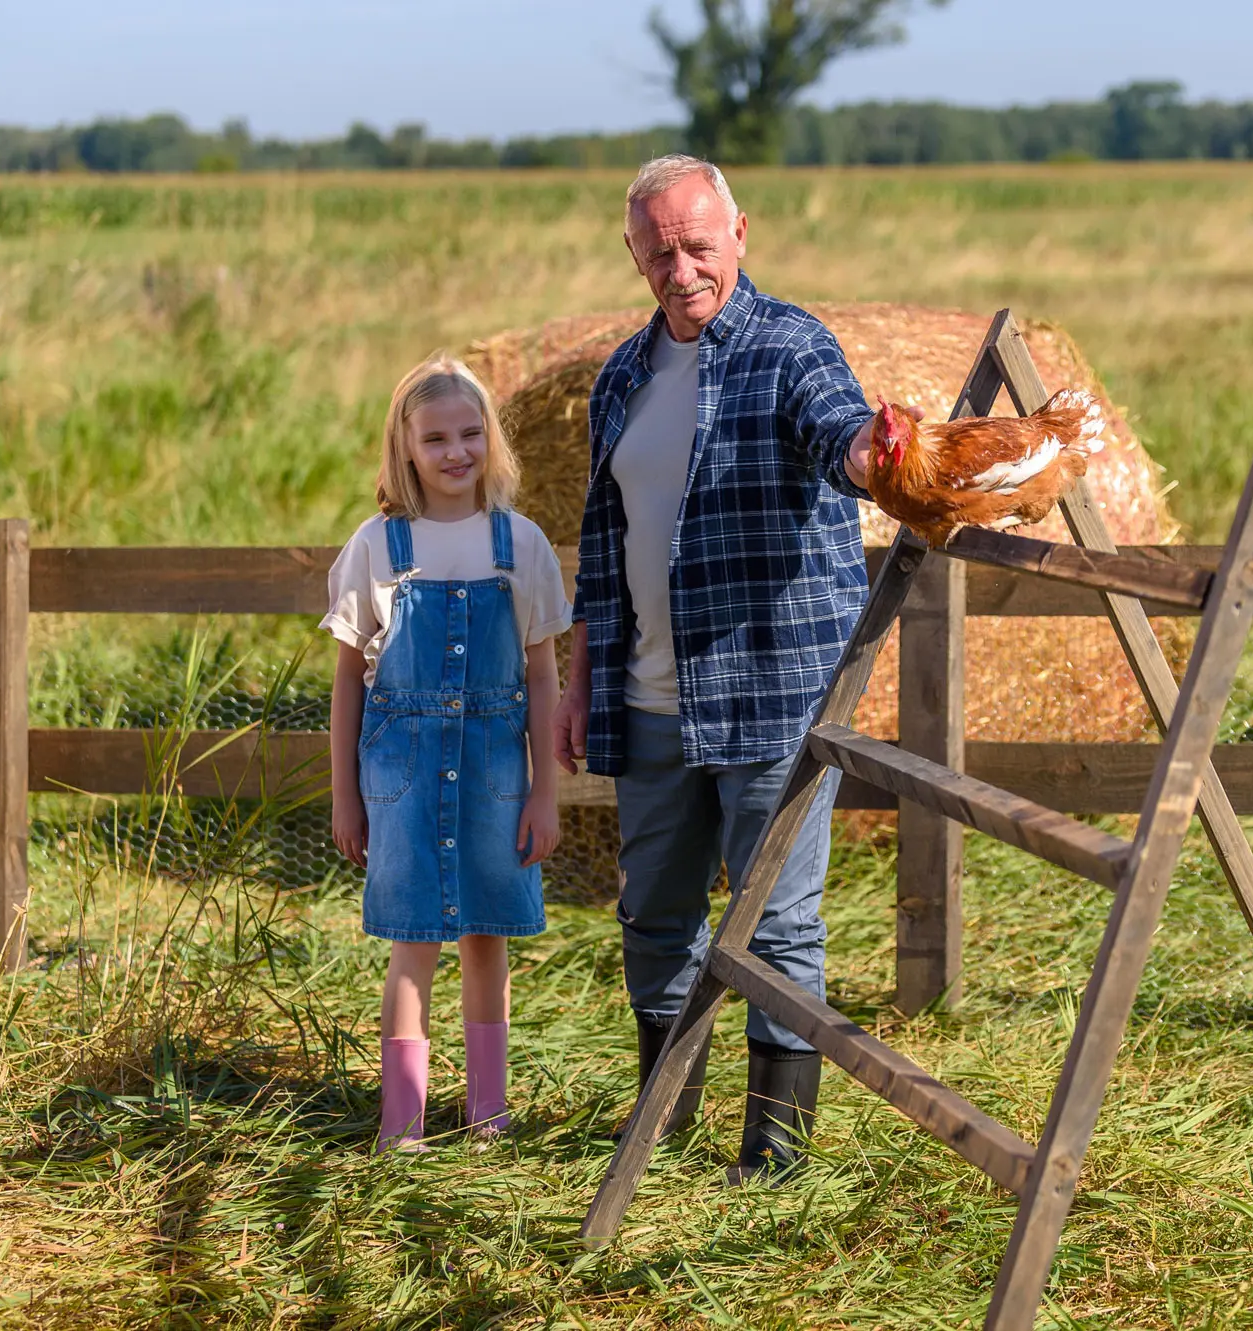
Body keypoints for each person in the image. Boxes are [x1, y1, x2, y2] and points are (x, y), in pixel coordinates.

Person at [554, 154, 913, 1182]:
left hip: (769, 692)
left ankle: (774, 1148)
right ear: (633, 252)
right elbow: (602, 540)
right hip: (648, 697)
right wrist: (583, 680)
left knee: (777, 921)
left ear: (738, 234)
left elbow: (834, 433)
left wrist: (872, 456)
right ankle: (661, 1120)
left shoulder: (789, 344)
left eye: (698, 245)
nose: (681, 268)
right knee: (654, 913)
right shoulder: (621, 374)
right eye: (659, 250)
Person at [325, 355, 570, 1152]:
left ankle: (488, 1114)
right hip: (402, 781)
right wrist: (345, 797)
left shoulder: (520, 544)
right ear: (406, 446)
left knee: (487, 941)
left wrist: (544, 794)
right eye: (436, 438)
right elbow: (348, 688)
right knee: (414, 942)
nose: (455, 451)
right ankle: (404, 1122)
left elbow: (542, 678)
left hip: (497, 782)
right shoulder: (377, 548)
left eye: (470, 433)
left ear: (491, 439)